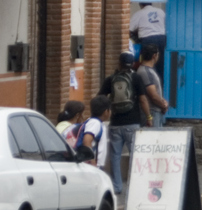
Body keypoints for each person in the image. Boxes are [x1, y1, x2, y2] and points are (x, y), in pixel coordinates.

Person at [97, 51, 151, 196]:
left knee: (115, 156)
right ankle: (136, 186)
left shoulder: (111, 79)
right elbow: (143, 100)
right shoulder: (136, 78)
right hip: (132, 123)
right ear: (132, 64)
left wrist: (105, 112)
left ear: (119, 63)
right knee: (136, 155)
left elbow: (100, 98)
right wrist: (149, 117)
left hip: (115, 123)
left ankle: (117, 186)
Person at [136, 45, 170, 127]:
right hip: (152, 111)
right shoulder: (145, 72)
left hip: (155, 111)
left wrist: (162, 101)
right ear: (154, 56)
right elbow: (153, 96)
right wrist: (164, 106)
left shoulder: (148, 70)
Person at [72, 95, 111, 168]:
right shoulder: (95, 123)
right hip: (92, 166)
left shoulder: (95, 122)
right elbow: (87, 141)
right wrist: (92, 162)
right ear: (106, 111)